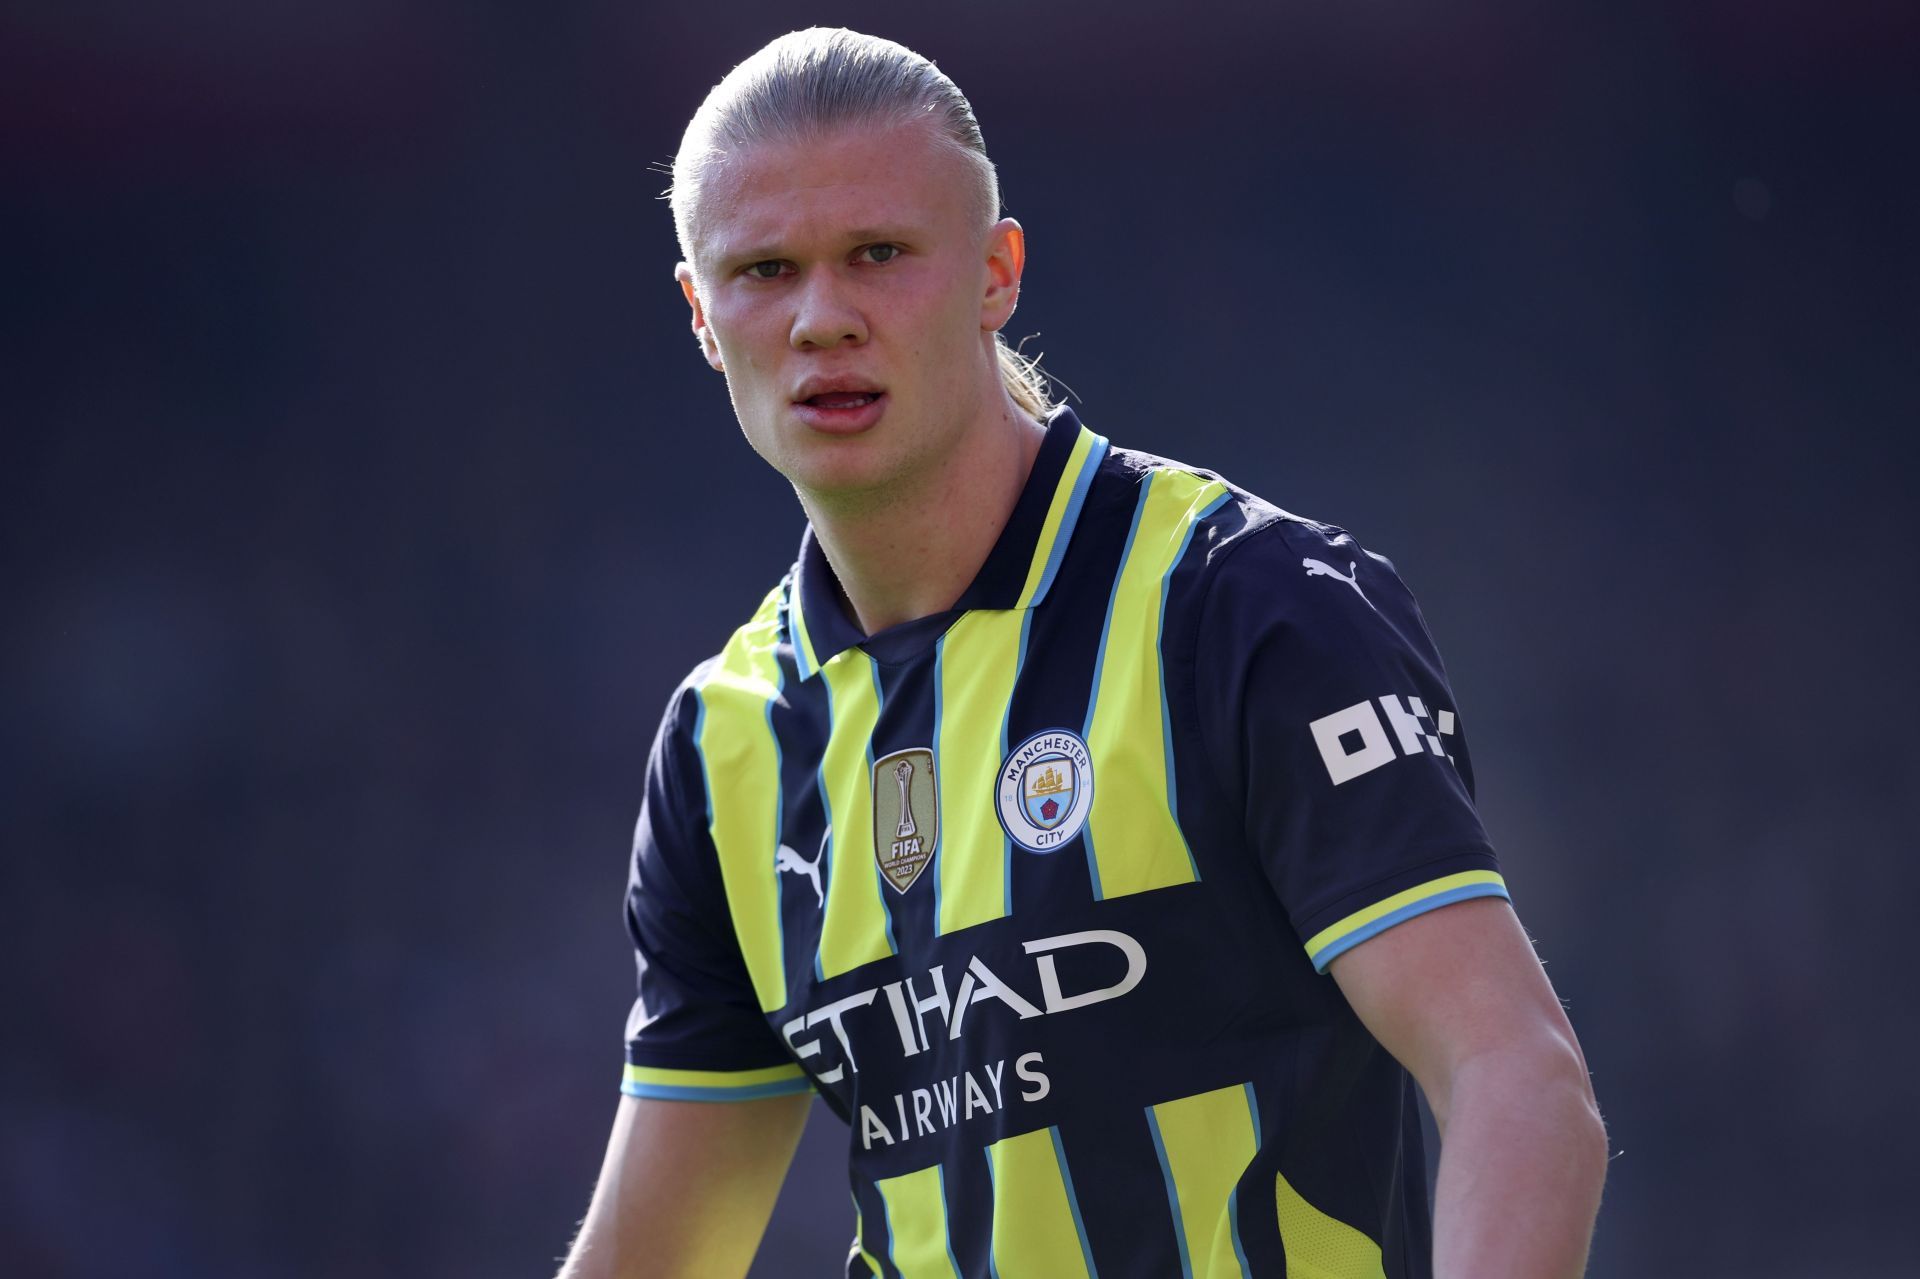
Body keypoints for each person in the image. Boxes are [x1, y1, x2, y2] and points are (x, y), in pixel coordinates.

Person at [558, 27, 1606, 1279]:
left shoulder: (1246, 608)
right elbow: (654, 1257)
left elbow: (1519, 1081)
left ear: (996, 273)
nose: (822, 317)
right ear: (703, 317)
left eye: (879, 256)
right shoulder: (721, 741)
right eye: (766, 271)